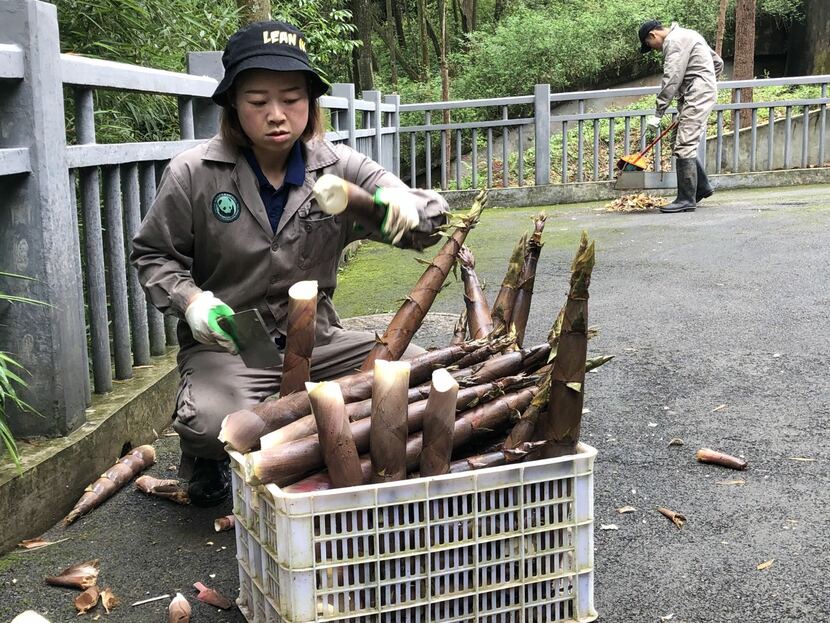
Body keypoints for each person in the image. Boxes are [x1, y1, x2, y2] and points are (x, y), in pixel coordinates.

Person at [131, 20, 448, 506]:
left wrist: (406, 207)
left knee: (417, 382)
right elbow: (153, 255)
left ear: (311, 103)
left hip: (320, 340)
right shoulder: (193, 173)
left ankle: (334, 462)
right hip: (236, 341)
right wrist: (191, 302)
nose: (277, 115)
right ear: (233, 105)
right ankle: (209, 458)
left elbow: (428, 220)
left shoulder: (340, 167)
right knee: (210, 424)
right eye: (258, 101)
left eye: (292, 98)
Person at [638, 20, 724, 213]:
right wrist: (708, 83)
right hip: (697, 93)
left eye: (649, 45)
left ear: (653, 35)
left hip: (697, 94)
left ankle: (686, 199)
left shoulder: (674, 41)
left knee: (685, 144)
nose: (653, 49)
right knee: (677, 140)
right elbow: (718, 63)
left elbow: (672, 78)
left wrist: (658, 112)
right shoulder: (689, 34)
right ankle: (701, 187)